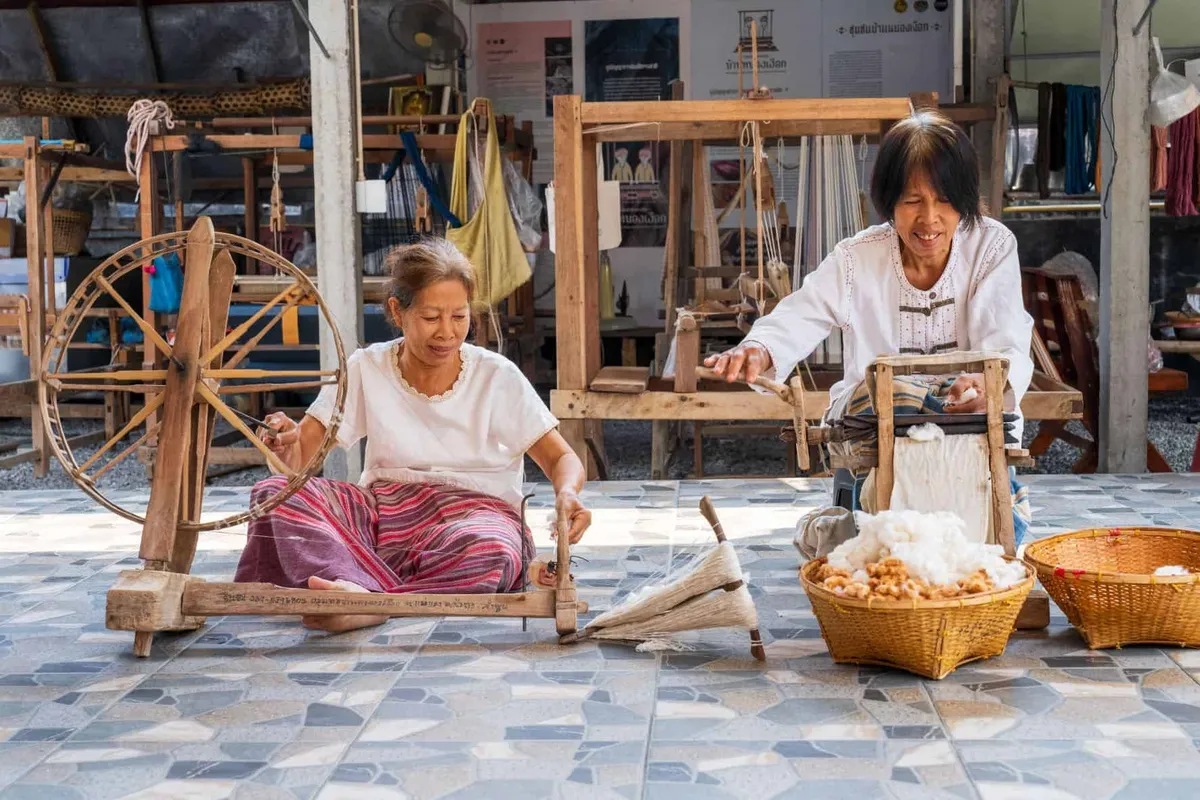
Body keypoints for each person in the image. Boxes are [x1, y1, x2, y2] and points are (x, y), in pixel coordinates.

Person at [705, 109, 1034, 542]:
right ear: (888, 201)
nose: (929, 219)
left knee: (990, 525)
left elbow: (1005, 337)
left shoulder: (991, 246)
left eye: (945, 200)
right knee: (881, 514)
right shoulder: (857, 258)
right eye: (913, 201)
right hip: (877, 436)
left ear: (966, 199)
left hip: (967, 429)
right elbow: (801, 312)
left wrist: (982, 384)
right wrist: (760, 349)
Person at [235, 238, 591, 632]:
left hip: (476, 517)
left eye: (459, 316)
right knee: (273, 494)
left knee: (492, 550)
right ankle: (359, 589)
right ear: (396, 311)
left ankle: (368, 600)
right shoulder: (367, 367)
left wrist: (568, 493)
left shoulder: (496, 375)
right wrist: (285, 440)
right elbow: (301, 459)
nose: (448, 332)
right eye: (431, 317)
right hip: (381, 516)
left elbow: (561, 458)